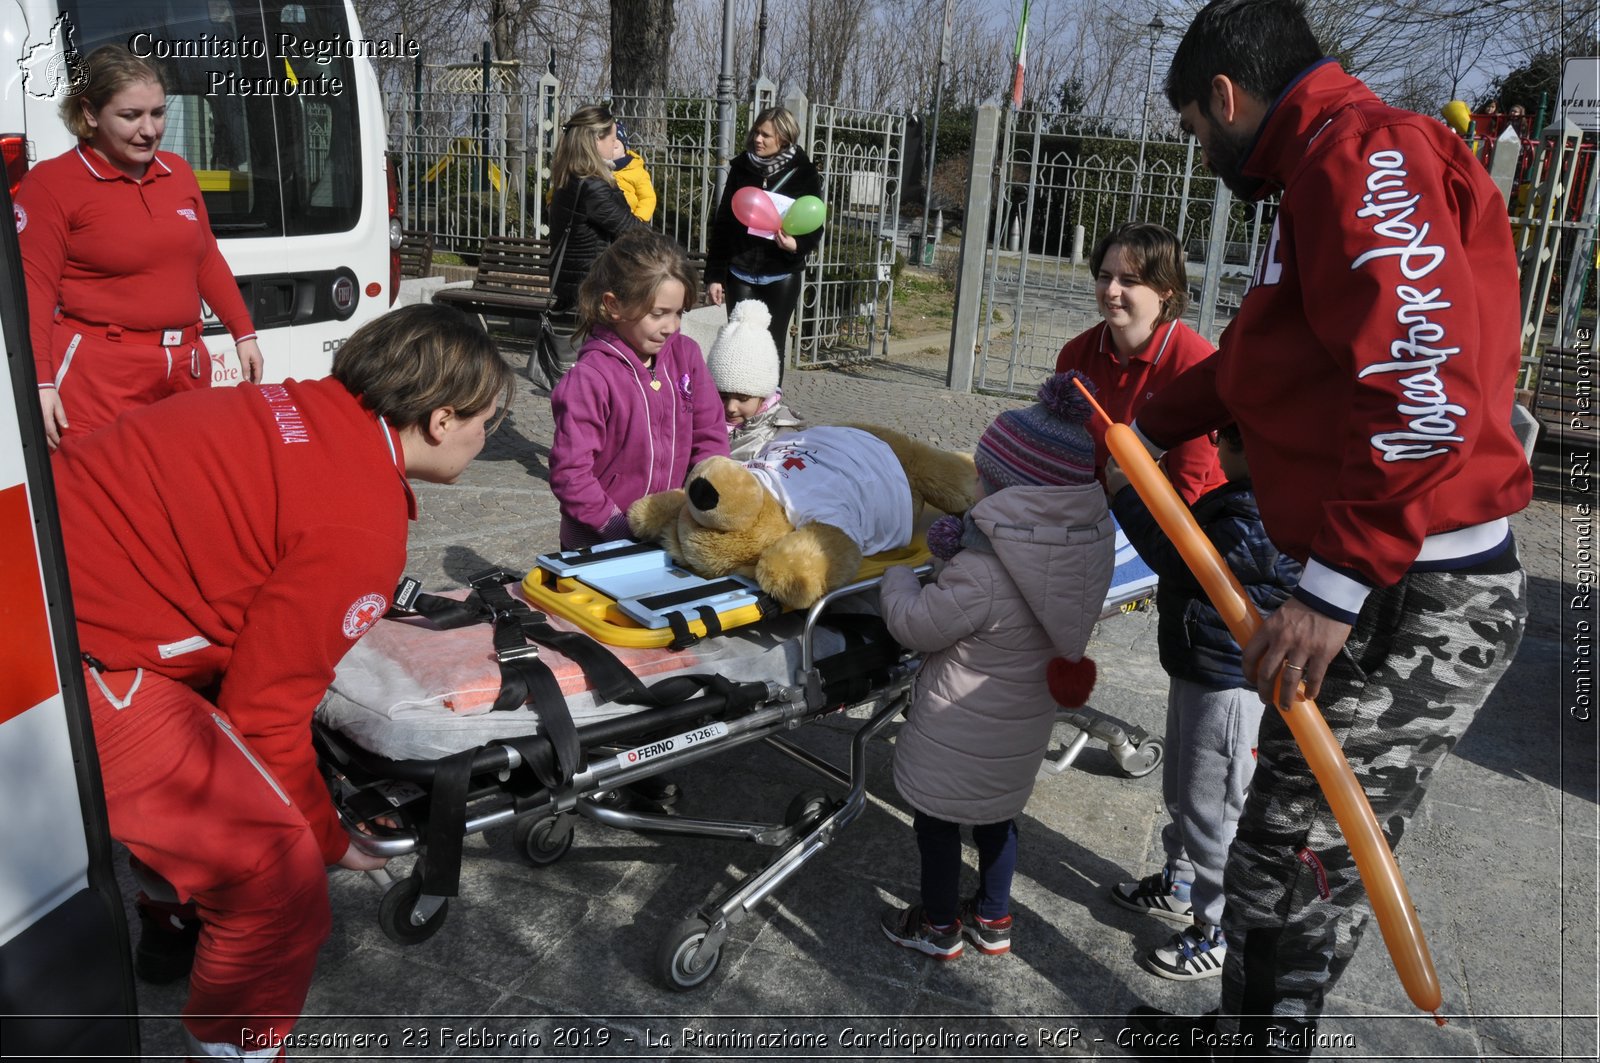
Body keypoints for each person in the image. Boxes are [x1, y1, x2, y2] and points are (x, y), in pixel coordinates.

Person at [1129, 1, 1531, 1052]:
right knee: (1309, 844)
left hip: (1419, 592)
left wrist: (1331, 586)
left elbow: (1420, 387)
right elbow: (1280, 358)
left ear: (1224, 98)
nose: (1200, 151)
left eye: (1191, 129)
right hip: (1385, 578)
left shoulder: (1368, 156)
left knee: (1286, 847)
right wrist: (1143, 419)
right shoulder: (1323, 169)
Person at [53, 303, 513, 1059]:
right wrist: (330, 840)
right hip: (69, 653)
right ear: (439, 419)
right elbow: (265, 715)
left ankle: (168, 922)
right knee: (279, 882)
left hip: (56, 587)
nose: (482, 439)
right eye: (486, 422)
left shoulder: (294, 404)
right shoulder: (359, 518)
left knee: (207, 769)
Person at [877, 372, 1114, 960]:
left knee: (936, 828)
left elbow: (915, 624)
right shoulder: (1084, 548)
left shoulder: (983, 573)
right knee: (999, 822)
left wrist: (899, 577)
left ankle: (937, 927)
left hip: (957, 732)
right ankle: (994, 918)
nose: (975, 482)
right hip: (1020, 731)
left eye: (985, 475)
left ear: (1011, 489)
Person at [1104, 424, 1301, 981]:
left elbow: (1182, 556)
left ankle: (1219, 929)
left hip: (1228, 682)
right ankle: (1182, 881)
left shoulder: (1260, 513)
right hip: (1200, 662)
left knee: (1213, 809)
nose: (1214, 450)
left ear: (1246, 450)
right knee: (1183, 792)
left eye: (1223, 442)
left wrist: (1126, 495)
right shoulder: (1247, 496)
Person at [17, 44, 263, 452]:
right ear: (90, 114)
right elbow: (34, 293)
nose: (149, 130)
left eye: (158, 113)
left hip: (185, 368)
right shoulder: (51, 184)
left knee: (181, 485)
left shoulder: (178, 173)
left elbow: (204, 259)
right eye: (131, 116)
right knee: (100, 496)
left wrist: (244, 332)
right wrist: (40, 383)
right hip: (101, 380)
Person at [548, 229, 727, 550]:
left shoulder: (686, 355)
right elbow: (571, 472)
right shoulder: (591, 377)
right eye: (658, 314)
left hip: (669, 534)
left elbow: (710, 437)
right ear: (613, 305)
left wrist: (707, 502)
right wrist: (617, 527)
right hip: (597, 540)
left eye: (679, 313)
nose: (671, 326)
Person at [1053, 223, 1224, 505]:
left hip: (1178, 520)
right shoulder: (1075, 355)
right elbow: (1064, 456)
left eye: (1129, 281)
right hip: (1090, 508)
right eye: (1105, 277)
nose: (1111, 291)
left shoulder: (1195, 365)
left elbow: (1186, 490)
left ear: (1165, 289)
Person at [704, 106, 823, 372]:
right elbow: (723, 223)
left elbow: (815, 222)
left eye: (766, 135)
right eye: (756, 133)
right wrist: (715, 275)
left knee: (773, 344)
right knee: (739, 342)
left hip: (781, 273)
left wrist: (797, 246)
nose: (758, 139)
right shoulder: (741, 168)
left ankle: (770, 404)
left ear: (783, 138)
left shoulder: (804, 173)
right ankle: (738, 403)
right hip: (740, 271)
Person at [547, 104, 651, 309]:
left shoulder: (569, 177)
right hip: (593, 291)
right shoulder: (592, 186)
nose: (615, 146)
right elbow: (634, 231)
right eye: (612, 140)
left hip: (575, 286)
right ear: (596, 140)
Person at [704, 299, 806, 461]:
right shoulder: (702, 426)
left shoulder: (781, 439)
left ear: (763, 395)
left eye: (743, 398)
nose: (731, 407)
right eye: (722, 396)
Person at [611, 119, 658, 222]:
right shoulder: (598, 167)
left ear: (624, 149)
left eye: (615, 148)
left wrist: (638, 219)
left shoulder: (637, 171)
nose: (610, 151)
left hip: (630, 219)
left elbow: (648, 198)